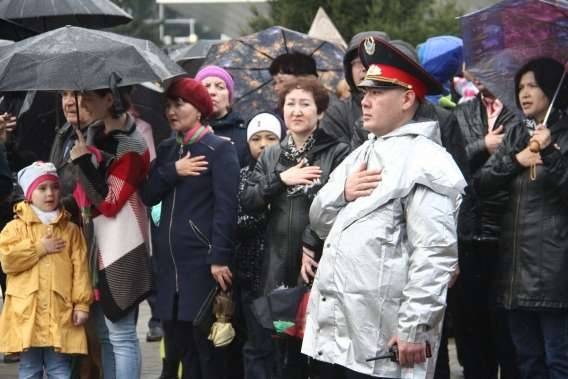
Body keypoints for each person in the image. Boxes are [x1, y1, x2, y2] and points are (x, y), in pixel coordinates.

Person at [301, 36, 466, 379]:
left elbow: (434, 255)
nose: (365, 100)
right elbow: (318, 219)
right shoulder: (363, 151)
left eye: (377, 92)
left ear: (407, 98)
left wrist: (415, 329)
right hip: (343, 333)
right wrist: (342, 193)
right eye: (364, 92)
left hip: (387, 338)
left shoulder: (427, 160)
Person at [241, 77, 350, 379]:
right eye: (291, 104)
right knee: (284, 352)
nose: (297, 111)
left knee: (322, 353)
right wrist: (280, 180)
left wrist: (311, 238)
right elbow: (248, 200)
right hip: (277, 269)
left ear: (320, 111)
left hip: (320, 266)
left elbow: (342, 205)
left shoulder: (337, 152)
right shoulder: (272, 154)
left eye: (305, 104)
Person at [474, 57, 568, 379]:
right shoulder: (516, 133)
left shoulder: (564, 135)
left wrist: (551, 151)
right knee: (527, 363)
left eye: (533, 85)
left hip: (556, 274)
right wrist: (517, 159)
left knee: (559, 362)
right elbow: (481, 185)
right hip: (515, 273)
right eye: (520, 87)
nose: (524, 93)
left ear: (553, 87)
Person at [141, 77, 240, 379]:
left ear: (198, 109)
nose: (171, 111)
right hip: (169, 266)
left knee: (205, 351)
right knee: (176, 348)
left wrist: (219, 257)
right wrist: (175, 170)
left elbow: (227, 208)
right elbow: (148, 193)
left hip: (203, 264)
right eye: (168, 106)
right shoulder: (169, 148)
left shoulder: (219, 148)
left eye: (179, 104)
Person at [69, 87, 152, 379]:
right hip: (102, 247)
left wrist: (83, 161)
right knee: (108, 335)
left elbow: (109, 202)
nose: (83, 103)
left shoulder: (129, 144)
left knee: (122, 335)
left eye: (89, 97)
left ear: (109, 99)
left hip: (123, 247)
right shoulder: (100, 137)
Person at [453, 74, 520, 379]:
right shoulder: (463, 111)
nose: (477, 75)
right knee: (472, 330)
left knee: (507, 333)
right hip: (467, 233)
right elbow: (450, 159)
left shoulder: (520, 112)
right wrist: (483, 145)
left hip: (507, 233)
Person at [0, 161, 92, 378]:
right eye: (42, 188)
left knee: (60, 368)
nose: (50, 193)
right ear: (29, 194)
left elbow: (80, 270)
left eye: (54, 187)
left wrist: (82, 304)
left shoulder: (70, 230)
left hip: (60, 312)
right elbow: (8, 260)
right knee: (29, 368)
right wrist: (39, 248)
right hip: (27, 313)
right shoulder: (14, 228)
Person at [236, 112, 282, 379]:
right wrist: (264, 201)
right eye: (256, 138)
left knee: (283, 346)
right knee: (256, 345)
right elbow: (238, 223)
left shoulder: (296, 172)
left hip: (285, 279)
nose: (263, 144)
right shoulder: (243, 176)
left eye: (271, 137)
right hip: (252, 278)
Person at [320, 31, 390, 148]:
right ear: (349, 69)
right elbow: (336, 161)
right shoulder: (337, 114)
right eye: (358, 62)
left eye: (372, 60)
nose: (364, 68)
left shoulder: (409, 106)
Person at [196, 65, 250, 167]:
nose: (212, 92)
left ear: (229, 99)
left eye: (220, 87)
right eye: (206, 86)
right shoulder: (183, 134)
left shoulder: (245, 136)